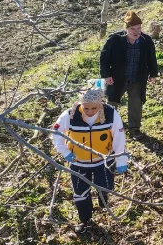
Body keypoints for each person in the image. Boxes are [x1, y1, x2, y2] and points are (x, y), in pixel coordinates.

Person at [51, 88, 127, 234]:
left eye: (94, 108)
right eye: (86, 108)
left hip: (103, 160)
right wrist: (65, 152)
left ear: (100, 104)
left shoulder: (110, 114)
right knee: (80, 192)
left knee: (105, 185)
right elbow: (56, 133)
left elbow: (118, 138)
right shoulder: (70, 115)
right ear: (81, 104)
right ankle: (85, 219)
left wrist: (121, 160)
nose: (90, 111)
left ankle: (102, 197)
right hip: (79, 162)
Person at [99, 11, 158, 135]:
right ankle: (107, 125)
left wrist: (153, 73)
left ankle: (134, 129)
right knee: (112, 101)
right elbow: (104, 57)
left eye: (139, 28)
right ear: (126, 29)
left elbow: (152, 58)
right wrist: (106, 75)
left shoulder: (146, 40)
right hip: (117, 77)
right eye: (132, 29)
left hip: (137, 78)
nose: (136, 32)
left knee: (136, 103)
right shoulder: (115, 39)